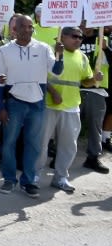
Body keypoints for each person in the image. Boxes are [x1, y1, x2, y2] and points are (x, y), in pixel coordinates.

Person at [0, 14, 62, 197]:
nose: (28, 30)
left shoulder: (43, 48)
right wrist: (1, 107)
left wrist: (60, 55)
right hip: (13, 102)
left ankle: (28, 181)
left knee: (34, 144)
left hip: (37, 103)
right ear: (14, 29)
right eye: (23, 26)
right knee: (9, 143)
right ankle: (9, 179)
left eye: (30, 26)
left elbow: (56, 71)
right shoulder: (4, 51)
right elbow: (0, 81)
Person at [41, 26, 103, 192]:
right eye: (74, 36)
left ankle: (61, 177)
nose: (78, 40)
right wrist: (53, 92)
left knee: (68, 145)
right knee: (41, 143)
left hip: (71, 106)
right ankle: (33, 176)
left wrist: (94, 79)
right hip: (48, 104)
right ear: (63, 36)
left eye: (80, 37)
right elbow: (39, 76)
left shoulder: (82, 57)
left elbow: (85, 82)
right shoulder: (50, 52)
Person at [79, 23, 110, 174]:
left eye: (86, 22)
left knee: (95, 127)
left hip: (96, 90)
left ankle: (93, 158)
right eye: (81, 22)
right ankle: (59, 156)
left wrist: (106, 48)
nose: (83, 25)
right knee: (68, 127)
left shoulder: (103, 39)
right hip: (75, 89)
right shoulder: (73, 37)